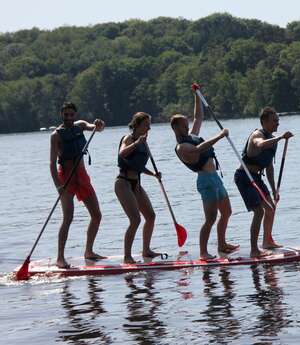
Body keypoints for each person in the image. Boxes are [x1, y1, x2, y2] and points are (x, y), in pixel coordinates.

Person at [170, 86, 238, 260]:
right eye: (184, 125)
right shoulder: (182, 147)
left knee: (227, 212)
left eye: (187, 124)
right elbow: (199, 149)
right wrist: (220, 135)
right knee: (210, 218)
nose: (188, 127)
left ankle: (222, 245)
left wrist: (197, 96)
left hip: (215, 178)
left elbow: (198, 117)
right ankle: (203, 252)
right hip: (205, 181)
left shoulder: (191, 135)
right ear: (177, 128)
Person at [50, 102, 106, 268]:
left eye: (71, 115)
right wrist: (58, 186)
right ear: (61, 115)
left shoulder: (80, 126)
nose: (68, 118)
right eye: (65, 115)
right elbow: (52, 164)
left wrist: (98, 125)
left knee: (97, 215)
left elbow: (95, 128)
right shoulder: (56, 136)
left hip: (81, 176)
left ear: (75, 115)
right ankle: (60, 257)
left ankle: (89, 251)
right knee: (68, 218)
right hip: (66, 178)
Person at [234, 107, 293, 257]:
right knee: (259, 211)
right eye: (274, 121)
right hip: (244, 176)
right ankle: (254, 250)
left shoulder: (273, 142)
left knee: (271, 208)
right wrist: (280, 137)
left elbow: (269, 166)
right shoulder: (258, 134)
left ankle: (267, 241)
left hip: (257, 177)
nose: (277, 124)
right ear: (264, 122)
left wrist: (274, 190)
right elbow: (260, 144)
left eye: (278, 121)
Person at [115, 112, 163, 264]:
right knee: (135, 219)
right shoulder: (129, 138)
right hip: (123, 182)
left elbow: (139, 166)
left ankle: (146, 250)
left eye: (149, 124)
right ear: (136, 125)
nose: (149, 127)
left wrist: (154, 174)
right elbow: (122, 153)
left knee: (150, 216)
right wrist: (137, 143)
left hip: (136, 183)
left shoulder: (144, 141)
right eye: (146, 124)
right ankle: (127, 256)